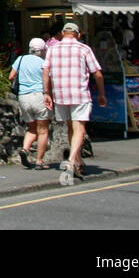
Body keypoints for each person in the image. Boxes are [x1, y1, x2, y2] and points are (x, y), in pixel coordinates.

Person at [42, 21, 106, 186]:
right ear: (78, 35)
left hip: (61, 95)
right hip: (79, 94)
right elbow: (97, 73)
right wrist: (101, 93)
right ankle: (71, 161)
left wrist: (46, 92)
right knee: (80, 128)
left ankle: (78, 161)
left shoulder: (52, 49)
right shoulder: (84, 49)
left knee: (70, 127)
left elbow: (46, 71)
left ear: (63, 33)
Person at [10, 37, 51, 169]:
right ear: (42, 50)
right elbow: (48, 79)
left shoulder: (20, 59)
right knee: (43, 130)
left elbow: (11, 76)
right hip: (39, 95)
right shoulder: (43, 62)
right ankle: (39, 161)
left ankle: (25, 149)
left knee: (31, 128)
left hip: (23, 97)